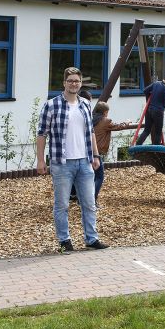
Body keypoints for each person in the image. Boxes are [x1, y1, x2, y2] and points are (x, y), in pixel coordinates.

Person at [36, 67, 108, 253]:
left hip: (84, 161)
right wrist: (41, 160)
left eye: (77, 81)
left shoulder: (85, 104)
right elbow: (42, 134)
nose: (74, 84)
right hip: (62, 163)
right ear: (64, 83)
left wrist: (96, 155)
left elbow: (90, 132)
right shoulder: (51, 105)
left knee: (89, 203)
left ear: (80, 83)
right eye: (70, 81)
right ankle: (64, 240)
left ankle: (91, 239)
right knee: (62, 205)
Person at [92, 100, 137, 199]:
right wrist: (127, 122)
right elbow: (119, 126)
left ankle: (81, 198)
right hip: (97, 152)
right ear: (105, 112)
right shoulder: (105, 121)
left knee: (89, 176)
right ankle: (92, 199)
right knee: (99, 177)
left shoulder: (91, 119)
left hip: (87, 151)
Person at [136, 75, 165, 145]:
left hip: (149, 110)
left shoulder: (156, 83)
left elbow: (145, 91)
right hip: (158, 112)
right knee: (158, 133)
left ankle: (137, 146)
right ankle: (156, 151)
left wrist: (150, 97)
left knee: (146, 130)